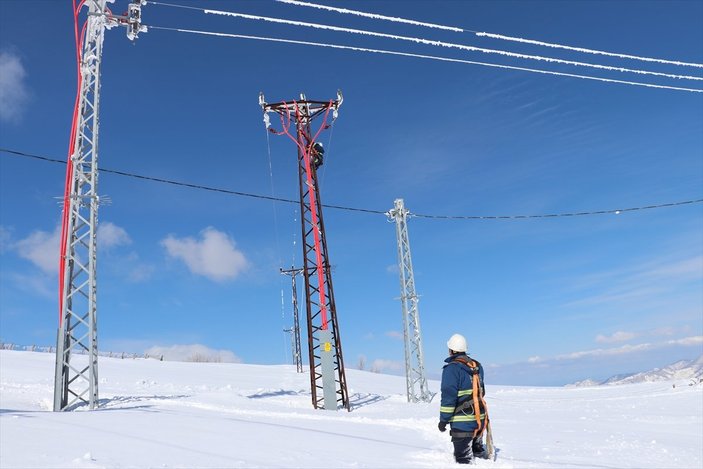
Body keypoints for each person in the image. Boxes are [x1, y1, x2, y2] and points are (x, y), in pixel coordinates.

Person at [438, 333, 489, 464]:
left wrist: (443, 420)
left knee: (464, 462)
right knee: (480, 457)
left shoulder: (452, 369)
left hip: (463, 424)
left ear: (451, 350)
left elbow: (448, 397)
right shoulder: (476, 366)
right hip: (480, 420)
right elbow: (481, 392)